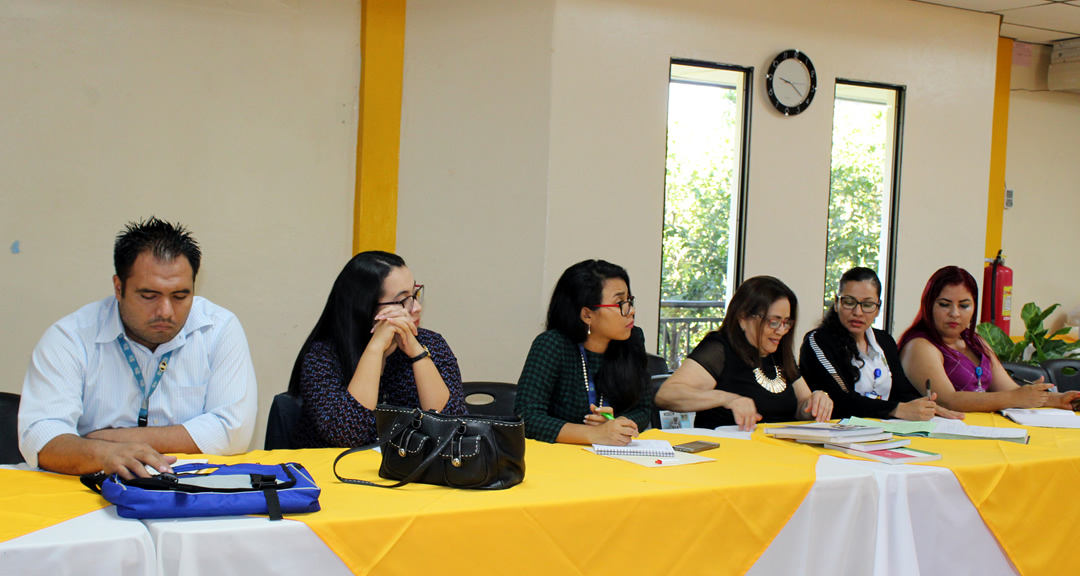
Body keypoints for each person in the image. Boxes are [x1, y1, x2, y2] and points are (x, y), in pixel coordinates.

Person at [18, 217, 257, 479]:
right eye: (148, 296)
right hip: (91, 487)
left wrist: (113, 440)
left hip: (191, 487)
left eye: (180, 296)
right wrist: (105, 455)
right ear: (119, 288)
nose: (165, 312)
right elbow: (41, 438)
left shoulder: (218, 328)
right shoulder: (70, 338)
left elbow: (233, 432)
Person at [289, 251, 466, 448]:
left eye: (414, 294)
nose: (416, 307)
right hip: (333, 472)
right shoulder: (322, 357)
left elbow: (452, 430)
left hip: (409, 472)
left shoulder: (432, 344)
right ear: (364, 307)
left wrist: (417, 353)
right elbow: (348, 435)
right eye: (403, 300)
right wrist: (375, 349)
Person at [656, 276, 832, 431]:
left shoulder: (779, 353)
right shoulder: (720, 349)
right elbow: (668, 395)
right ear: (743, 318)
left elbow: (802, 407)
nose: (781, 330)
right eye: (773, 322)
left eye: (786, 323)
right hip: (728, 455)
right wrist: (727, 399)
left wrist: (815, 402)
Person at [898, 265, 1080, 412]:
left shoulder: (976, 342)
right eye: (945, 305)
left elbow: (1010, 389)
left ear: (974, 308)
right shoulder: (919, 345)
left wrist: (1060, 400)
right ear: (929, 305)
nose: (954, 313)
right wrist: (1015, 398)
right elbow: (947, 400)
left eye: (964, 306)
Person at [515, 260, 651, 445]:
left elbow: (643, 408)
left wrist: (618, 423)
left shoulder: (633, 339)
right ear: (587, 315)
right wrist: (594, 434)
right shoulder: (552, 345)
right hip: (558, 458)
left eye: (629, 300)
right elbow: (527, 418)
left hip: (615, 456)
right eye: (620, 303)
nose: (631, 310)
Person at [800, 267, 963, 421]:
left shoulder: (884, 341)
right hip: (837, 432)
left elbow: (900, 393)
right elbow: (842, 400)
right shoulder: (818, 341)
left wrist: (927, 407)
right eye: (849, 302)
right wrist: (897, 410)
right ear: (836, 303)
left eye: (868, 305)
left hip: (883, 431)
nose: (858, 312)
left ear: (878, 308)